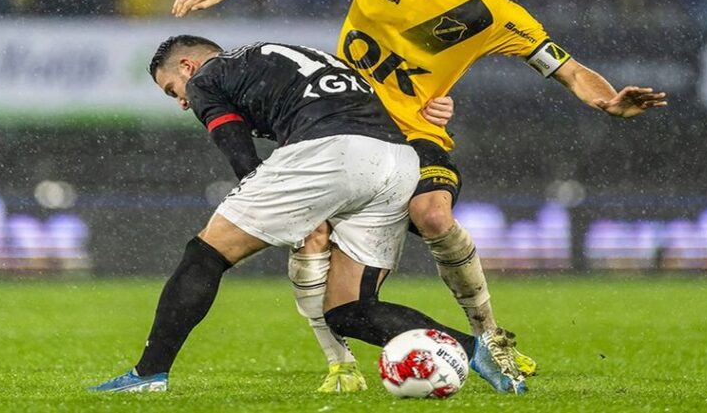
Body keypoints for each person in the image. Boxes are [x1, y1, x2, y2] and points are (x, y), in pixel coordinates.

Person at [170, 0, 669, 391]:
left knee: (432, 214)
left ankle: (490, 335)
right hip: (339, 126)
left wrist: (607, 101)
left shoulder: (495, 13)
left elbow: (568, 68)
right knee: (317, 245)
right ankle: (340, 364)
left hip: (415, 134)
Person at [90, 35, 528, 394]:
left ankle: (148, 374)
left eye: (173, 90)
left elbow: (236, 146)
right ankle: (475, 349)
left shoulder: (207, 77)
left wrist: (262, 189)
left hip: (330, 149)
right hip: (396, 159)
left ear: (187, 66)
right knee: (350, 309)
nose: (182, 103)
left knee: (204, 254)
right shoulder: (279, 56)